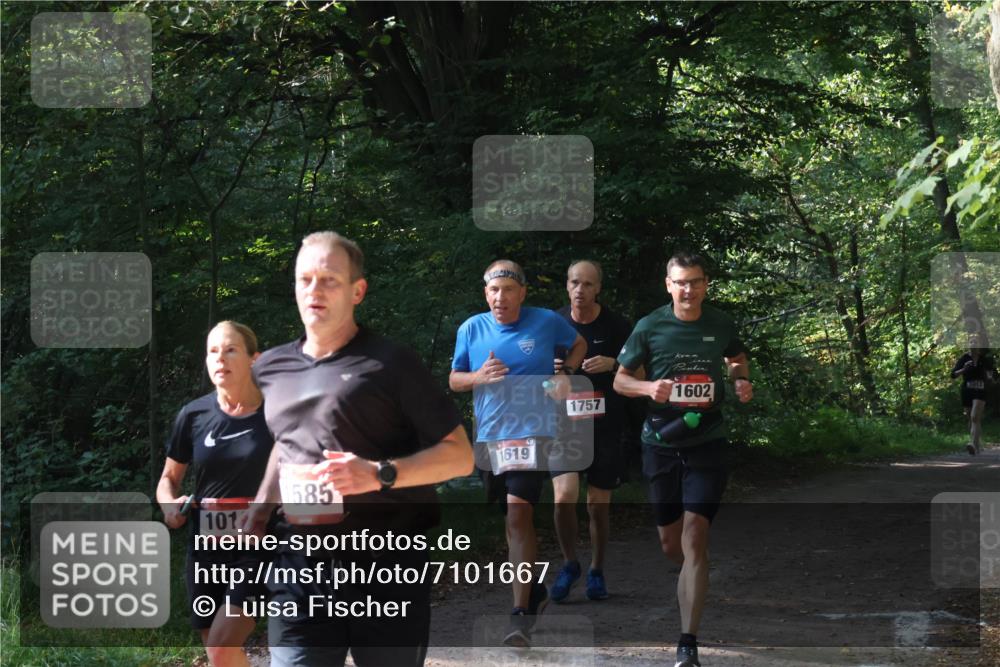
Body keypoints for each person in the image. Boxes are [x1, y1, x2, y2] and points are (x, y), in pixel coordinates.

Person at [242, 231, 473, 667]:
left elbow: (460, 456)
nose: (315, 290)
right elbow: (285, 442)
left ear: (357, 291)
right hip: (300, 569)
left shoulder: (391, 363)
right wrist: (261, 506)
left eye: (329, 279)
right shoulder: (271, 367)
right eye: (305, 279)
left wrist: (379, 474)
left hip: (387, 567)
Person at [613, 253, 752, 667]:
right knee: (672, 545)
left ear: (706, 284)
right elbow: (620, 380)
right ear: (668, 285)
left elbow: (736, 358)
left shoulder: (720, 323)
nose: (688, 290)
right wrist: (648, 388)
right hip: (660, 443)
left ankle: (687, 642)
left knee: (694, 537)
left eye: (695, 281)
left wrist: (741, 380)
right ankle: (696, 568)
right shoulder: (649, 326)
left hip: (708, 441)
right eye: (680, 282)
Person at [449, 259, 586, 648]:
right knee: (511, 525)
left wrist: (565, 373)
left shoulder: (545, 321)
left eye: (508, 289)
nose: (500, 297)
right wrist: (478, 377)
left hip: (534, 433)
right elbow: (455, 379)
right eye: (494, 290)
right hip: (491, 440)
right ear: (485, 294)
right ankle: (533, 591)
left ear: (522, 293)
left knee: (517, 514)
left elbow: (578, 343)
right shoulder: (471, 328)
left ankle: (520, 614)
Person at [157, 320, 273, 667]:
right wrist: (169, 505)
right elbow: (169, 478)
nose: (220, 358)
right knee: (220, 654)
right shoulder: (193, 415)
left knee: (222, 645)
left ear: (254, 359)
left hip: (260, 546)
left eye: (230, 350)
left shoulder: (277, 414)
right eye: (212, 352)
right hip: (205, 547)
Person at [549, 260, 633, 603]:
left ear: (598, 288)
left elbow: (641, 372)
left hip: (604, 426)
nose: (580, 290)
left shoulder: (617, 325)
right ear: (566, 286)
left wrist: (614, 364)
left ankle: (597, 570)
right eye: (574, 283)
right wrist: (549, 369)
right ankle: (570, 563)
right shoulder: (551, 324)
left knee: (597, 505)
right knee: (563, 497)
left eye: (587, 284)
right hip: (564, 426)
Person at [951, 332, 995, 455]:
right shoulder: (964, 359)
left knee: (975, 417)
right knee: (972, 419)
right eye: (971, 342)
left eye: (975, 342)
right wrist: (964, 369)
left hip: (980, 390)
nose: (973, 344)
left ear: (979, 345)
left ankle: (972, 444)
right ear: (968, 344)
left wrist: (989, 377)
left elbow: (991, 374)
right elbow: (953, 375)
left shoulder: (984, 360)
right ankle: (977, 445)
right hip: (967, 390)